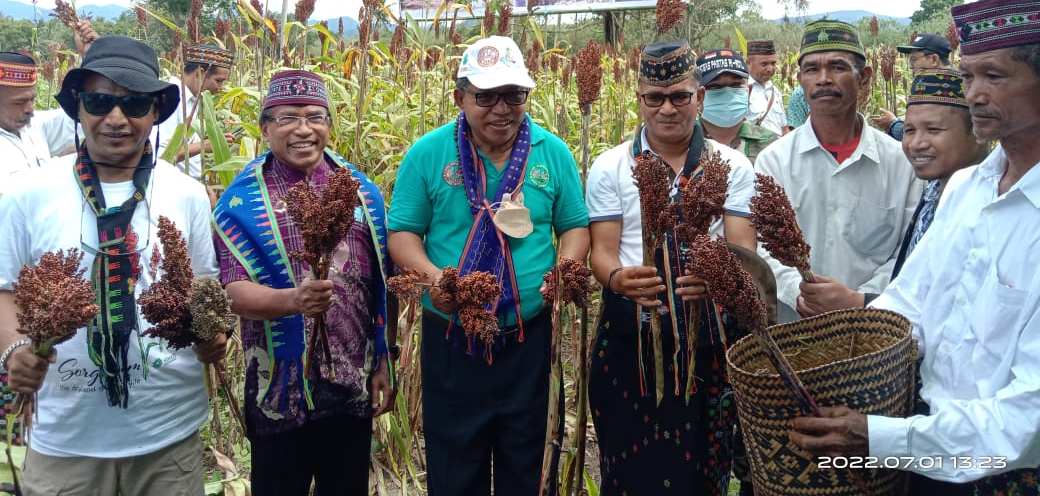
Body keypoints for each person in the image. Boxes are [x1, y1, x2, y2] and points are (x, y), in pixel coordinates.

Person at [790, 0, 1040, 493]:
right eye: (968, 76)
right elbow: (908, 305)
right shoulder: (967, 189)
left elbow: (1027, 415)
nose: (974, 94)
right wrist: (836, 364)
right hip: (925, 450)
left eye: (995, 76)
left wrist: (880, 438)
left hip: (1006, 470)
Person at [0, 35, 227, 495]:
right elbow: (5, 288)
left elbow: (204, 283)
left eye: (135, 104)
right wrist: (14, 348)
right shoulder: (27, 193)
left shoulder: (186, 193)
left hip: (167, 434)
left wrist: (214, 333)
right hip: (66, 439)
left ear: (155, 113)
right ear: (78, 108)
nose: (117, 119)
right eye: (100, 101)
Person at [387, 35, 590, 496]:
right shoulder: (428, 153)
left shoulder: (551, 153)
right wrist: (437, 279)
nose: (502, 109)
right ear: (460, 97)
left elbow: (575, 226)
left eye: (514, 95)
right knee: (456, 467)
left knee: (528, 463)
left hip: (528, 338)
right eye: (486, 96)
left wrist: (564, 269)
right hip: (452, 339)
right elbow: (402, 235)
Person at [585, 40, 758, 496]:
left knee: (702, 471)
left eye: (680, 96)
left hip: (707, 344)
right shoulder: (610, 167)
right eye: (654, 98)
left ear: (699, 97)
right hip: (631, 341)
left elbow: (743, 251)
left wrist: (720, 275)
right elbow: (601, 251)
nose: (667, 109)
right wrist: (618, 278)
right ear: (639, 99)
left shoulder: (731, 166)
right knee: (630, 473)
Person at [213, 70, 395, 496]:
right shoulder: (241, 202)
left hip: (352, 380)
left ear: (329, 125)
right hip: (279, 390)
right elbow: (232, 292)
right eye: (286, 118)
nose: (303, 129)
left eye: (315, 117)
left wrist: (384, 359)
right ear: (264, 128)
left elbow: (379, 286)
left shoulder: (361, 193)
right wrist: (292, 300)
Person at [755, 20, 921, 320]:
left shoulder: (901, 163)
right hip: (795, 331)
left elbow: (910, 250)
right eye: (811, 70)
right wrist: (799, 292)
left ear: (865, 78)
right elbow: (762, 245)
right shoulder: (773, 162)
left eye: (837, 67)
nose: (823, 79)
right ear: (800, 79)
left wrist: (859, 300)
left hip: (875, 330)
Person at [891, 67, 988, 279]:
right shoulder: (933, 192)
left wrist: (862, 301)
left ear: (978, 131)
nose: (916, 144)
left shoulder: (991, 209)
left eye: (933, 130)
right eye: (909, 130)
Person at [0, 21, 97, 179]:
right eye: (19, 102)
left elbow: (87, 113)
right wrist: (60, 164)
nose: (30, 109)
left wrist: (92, 56)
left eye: (32, 99)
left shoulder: (33, 126)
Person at [157, 43, 235, 180]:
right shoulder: (171, 101)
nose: (221, 87)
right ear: (199, 73)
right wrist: (205, 145)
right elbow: (162, 156)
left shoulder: (194, 100)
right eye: (218, 81)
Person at [696, 48, 778, 165]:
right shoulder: (679, 146)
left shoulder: (772, 145)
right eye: (714, 86)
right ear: (698, 97)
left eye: (736, 84)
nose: (727, 93)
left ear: (748, 92)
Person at [872, 32, 954, 140]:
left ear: (934, 59)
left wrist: (892, 123)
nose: (910, 66)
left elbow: (914, 135)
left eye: (914, 60)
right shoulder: (965, 81)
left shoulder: (927, 84)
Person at [745, 39, 788, 136]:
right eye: (764, 64)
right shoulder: (742, 90)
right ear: (748, 63)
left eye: (773, 64)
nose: (770, 69)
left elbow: (784, 128)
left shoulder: (775, 91)